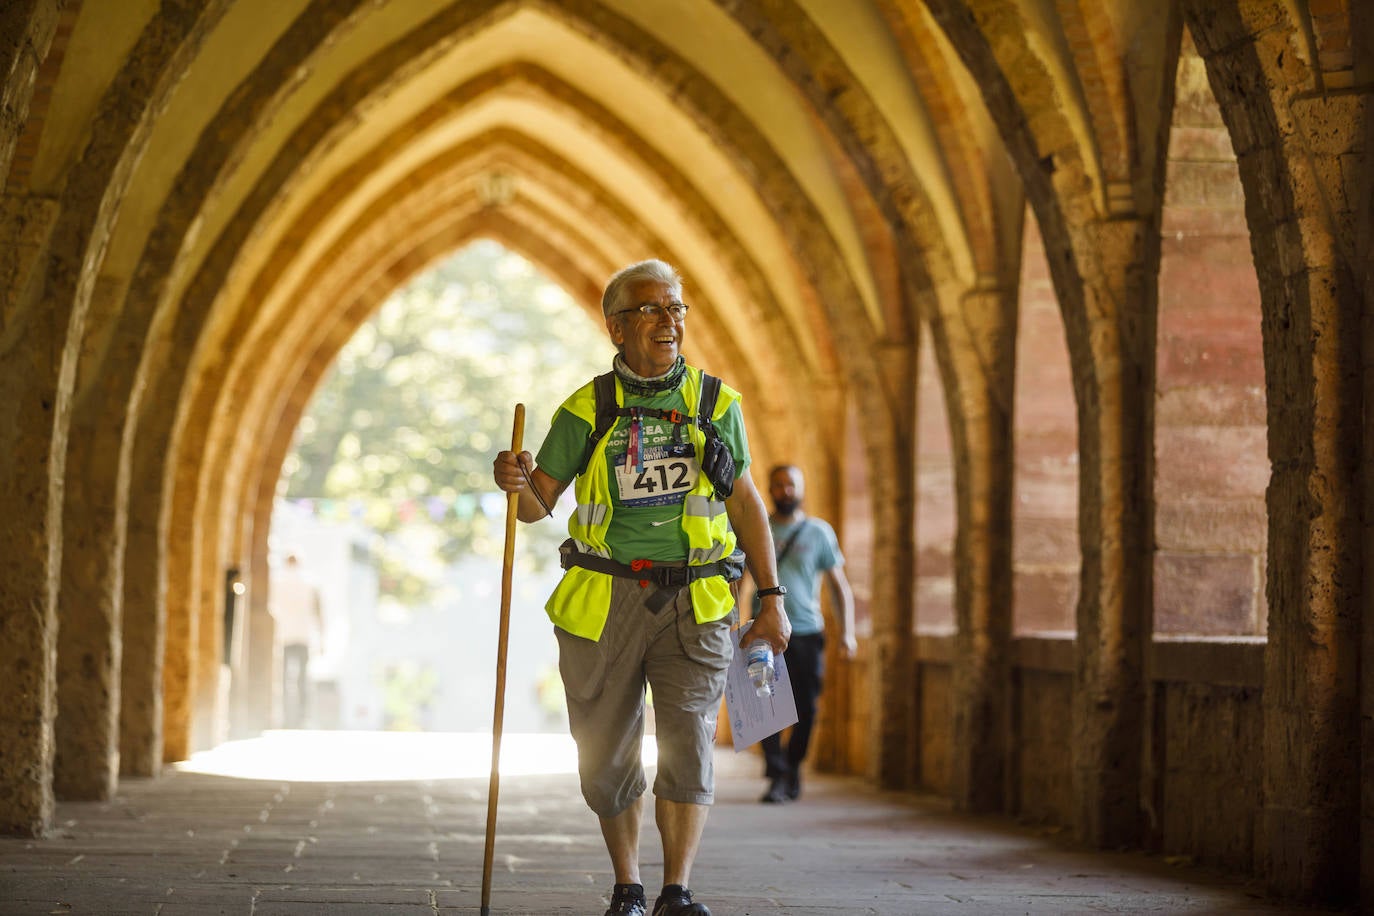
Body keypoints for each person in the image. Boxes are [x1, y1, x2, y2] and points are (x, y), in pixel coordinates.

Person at [493, 259, 790, 916]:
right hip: (604, 600)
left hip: (699, 599)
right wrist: (517, 480)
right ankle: (627, 884)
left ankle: (675, 891)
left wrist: (772, 601)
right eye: (652, 309)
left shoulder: (717, 405)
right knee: (605, 753)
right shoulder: (587, 407)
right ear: (617, 328)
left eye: (677, 307)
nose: (670, 321)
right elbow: (537, 506)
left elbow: (746, 505)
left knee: (688, 739)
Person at [754, 464, 856, 804]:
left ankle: (792, 766)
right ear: (769, 489)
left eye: (791, 485)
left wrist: (847, 633)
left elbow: (838, 586)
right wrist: (733, 625)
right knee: (766, 707)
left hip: (808, 631)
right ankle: (778, 773)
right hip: (764, 632)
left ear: (802, 488)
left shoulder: (819, 532)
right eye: (779, 485)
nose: (785, 491)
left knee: (806, 708)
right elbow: (740, 583)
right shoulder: (758, 528)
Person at [269, 552, 324, 729]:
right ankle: (302, 718)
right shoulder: (310, 583)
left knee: (283, 679)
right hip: (303, 636)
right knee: (302, 679)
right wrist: (322, 638)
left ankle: (285, 717)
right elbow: (318, 612)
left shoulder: (276, 582)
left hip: (283, 635)